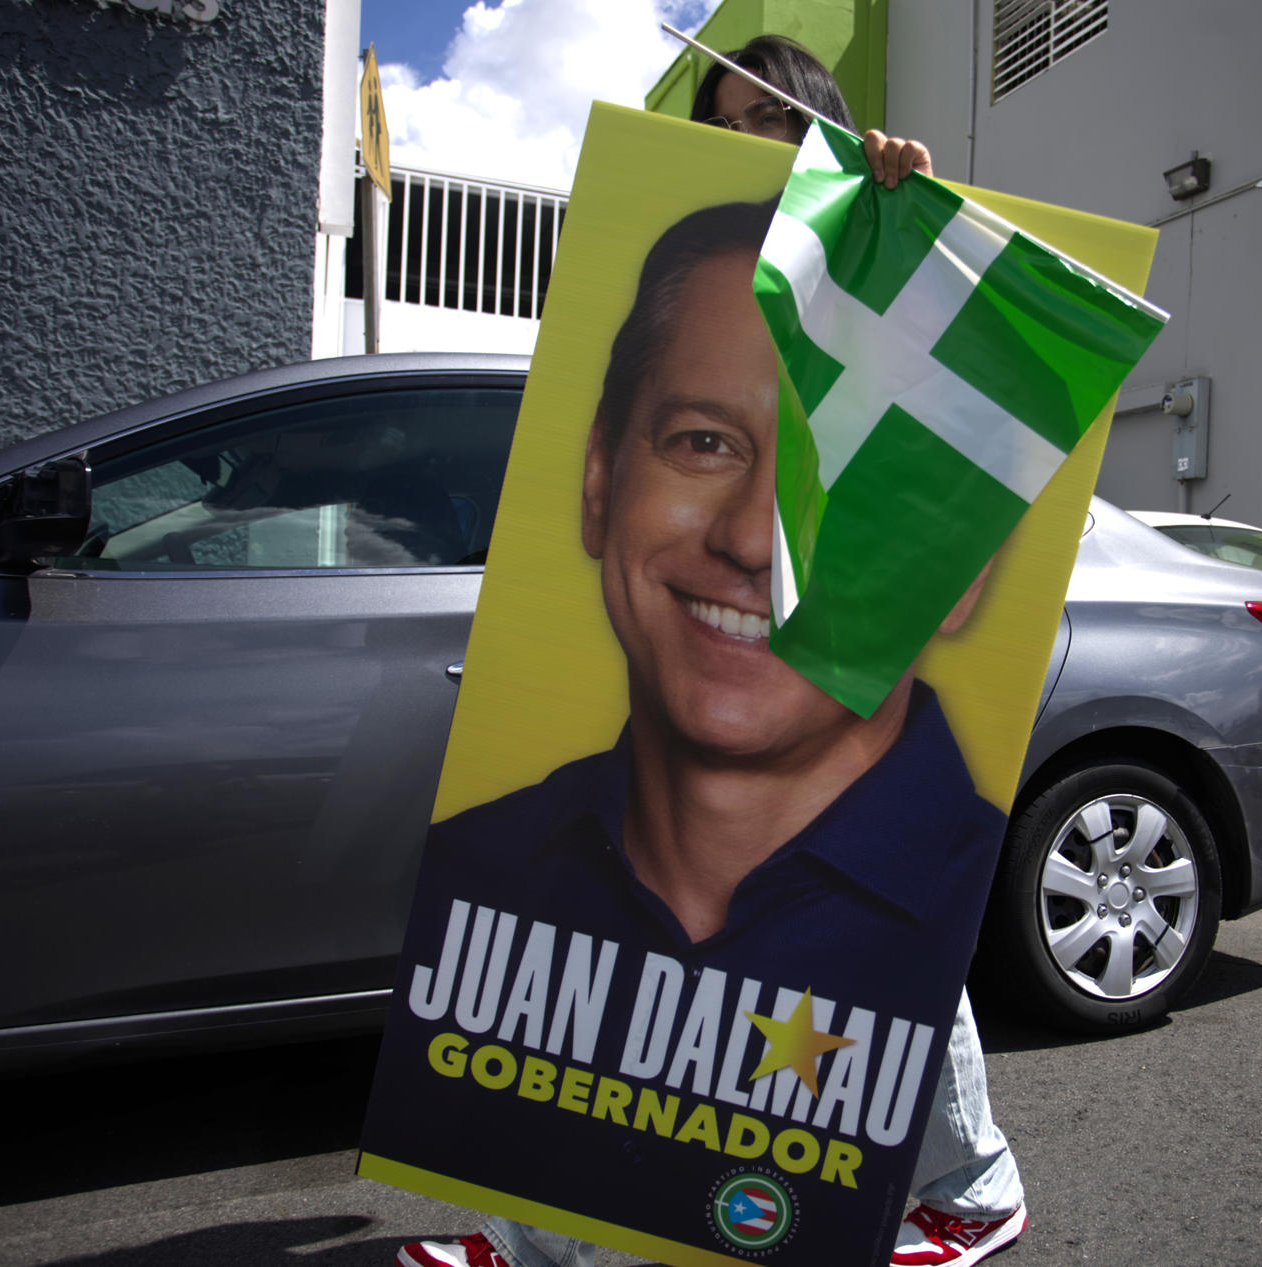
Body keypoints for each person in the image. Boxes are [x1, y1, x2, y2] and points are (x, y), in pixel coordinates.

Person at [394, 37, 1024, 1267]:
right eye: (732, 124)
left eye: (787, 128)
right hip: (690, 676)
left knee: (880, 911)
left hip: (833, 658)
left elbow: (968, 358)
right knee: (592, 935)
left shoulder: (874, 269)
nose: (759, 150)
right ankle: (530, 1235)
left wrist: (906, 205)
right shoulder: (689, 278)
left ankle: (974, 1181)